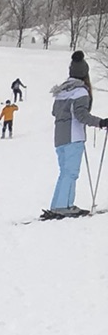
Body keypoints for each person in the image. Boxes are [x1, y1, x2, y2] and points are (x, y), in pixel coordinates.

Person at [46, 51, 108, 216]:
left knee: (65, 172)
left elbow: (55, 112)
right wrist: (101, 122)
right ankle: (63, 206)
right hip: (73, 136)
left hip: (59, 138)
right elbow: (81, 116)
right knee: (71, 172)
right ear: (85, 73)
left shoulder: (61, 91)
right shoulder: (80, 92)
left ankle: (58, 204)